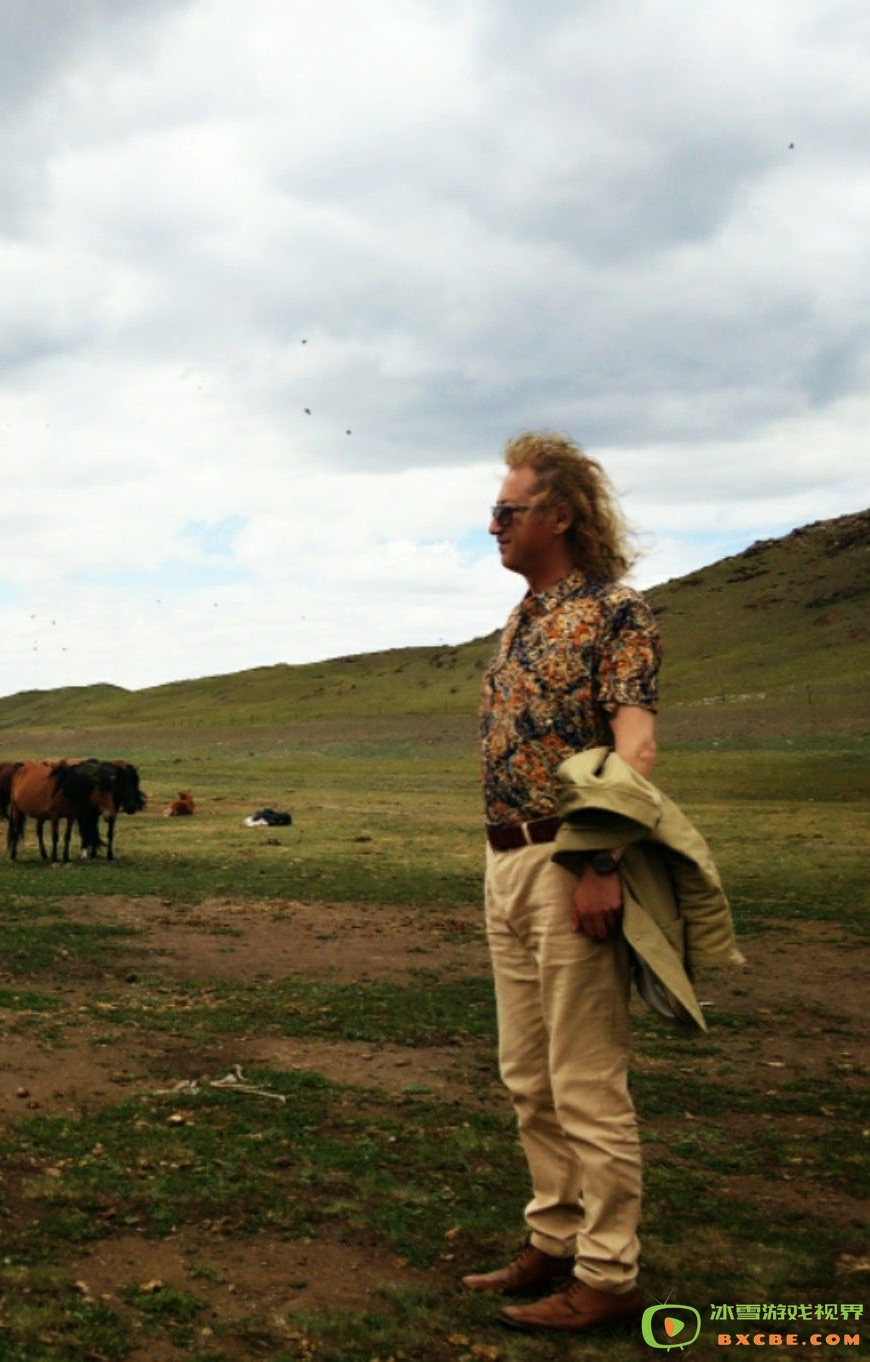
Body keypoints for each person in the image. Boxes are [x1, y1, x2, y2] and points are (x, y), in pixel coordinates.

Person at [463, 431, 659, 1332]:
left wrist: (603, 862)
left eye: (508, 511)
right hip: (505, 859)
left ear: (562, 515)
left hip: (571, 858)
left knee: (585, 1079)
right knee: (527, 1076)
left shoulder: (618, 612)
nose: (491, 524)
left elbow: (636, 747)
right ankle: (554, 1234)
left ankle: (610, 1277)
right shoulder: (521, 618)